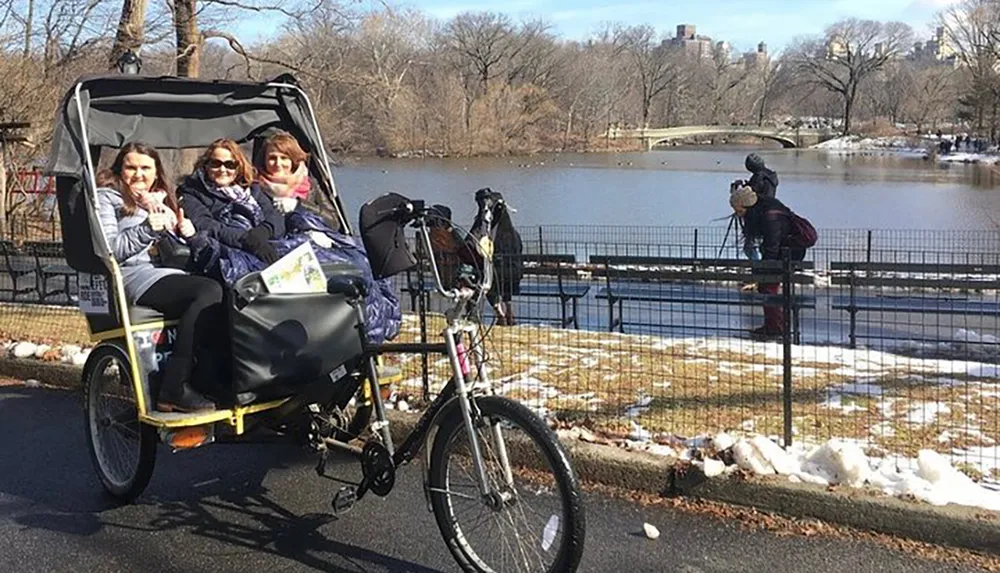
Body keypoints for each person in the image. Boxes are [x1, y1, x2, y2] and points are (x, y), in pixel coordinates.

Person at [96, 142, 221, 413]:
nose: (138, 174)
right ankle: (174, 388)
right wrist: (146, 229)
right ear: (120, 170)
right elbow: (112, 250)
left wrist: (187, 233)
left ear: (156, 173)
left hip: (170, 272)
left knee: (226, 289)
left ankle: (212, 378)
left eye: (145, 168)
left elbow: (179, 251)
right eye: (131, 167)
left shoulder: (163, 201)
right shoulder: (109, 197)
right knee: (208, 291)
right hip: (135, 276)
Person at [177, 138, 286, 268]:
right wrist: (247, 239)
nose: (222, 170)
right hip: (231, 253)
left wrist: (264, 231)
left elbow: (274, 215)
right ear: (206, 165)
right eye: (215, 163)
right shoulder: (191, 192)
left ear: (238, 168)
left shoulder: (252, 189)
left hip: (267, 243)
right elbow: (206, 224)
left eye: (230, 165)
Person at [730, 185, 808, 339]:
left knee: (768, 287)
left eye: (738, 210)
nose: (737, 214)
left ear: (747, 205)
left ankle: (776, 327)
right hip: (784, 251)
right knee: (767, 288)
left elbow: (772, 245)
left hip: (788, 253)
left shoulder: (769, 216)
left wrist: (765, 268)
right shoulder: (764, 209)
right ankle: (775, 325)